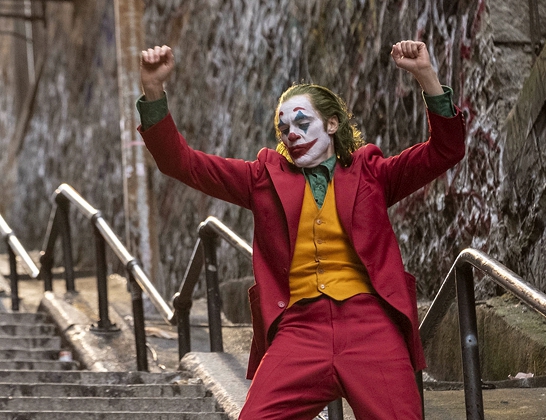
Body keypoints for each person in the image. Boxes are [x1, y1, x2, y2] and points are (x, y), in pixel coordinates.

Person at [138, 40, 466, 420]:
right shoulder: (262, 178)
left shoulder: (372, 173)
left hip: (371, 325)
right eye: (283, 128)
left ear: (332, 124)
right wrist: (153, 90)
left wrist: (426, 76)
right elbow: (181, 163)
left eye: (302, 122)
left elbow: (445, 151)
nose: (291, 134)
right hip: (299, 329)